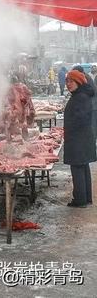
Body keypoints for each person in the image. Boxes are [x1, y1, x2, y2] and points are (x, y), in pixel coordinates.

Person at [63, 70, 95, 208]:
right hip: (83, 137)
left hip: (78, 138)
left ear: (78, 82)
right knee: (83, 166)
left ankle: (79, 200)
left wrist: (68, 127)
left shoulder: (80, 97)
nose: (68, 84)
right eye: (67, 81)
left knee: (77, 167)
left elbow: (80, 119)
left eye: (71, 81)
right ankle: (86, 198)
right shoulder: (81, 94)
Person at [72, 65, 97, 138]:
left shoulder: (85, 78)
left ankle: (92, 139)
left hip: (93, 104)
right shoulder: (84, 76)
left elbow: (89, 91)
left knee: (92, 124)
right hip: (91, 104)